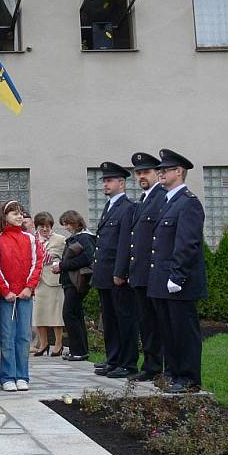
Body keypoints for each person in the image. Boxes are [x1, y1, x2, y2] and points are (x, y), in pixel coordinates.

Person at [149, 149, 207, 394]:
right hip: (162, 278)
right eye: (160, 169)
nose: (160, 173)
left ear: (179, 172)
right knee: (168, 330)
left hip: (178, 279)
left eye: (165, 169)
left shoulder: (188, 203)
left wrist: (177, 275)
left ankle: (189, 377)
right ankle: (173, 373)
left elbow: (187, 243)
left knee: (183, 331)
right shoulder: (168, 201)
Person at [92, 162, 138, 379]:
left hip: (117, 275)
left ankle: (128, 363)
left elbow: (124, 242)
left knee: (124, 319)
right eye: (104, 181)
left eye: (109, 180)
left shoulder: (128, 207)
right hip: (104, 275)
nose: (105, 184)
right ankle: (113, 359)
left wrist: (121, 272)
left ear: (122, 182)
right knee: (110, 320)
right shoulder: (110, 206)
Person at [0, 200, 44, 392]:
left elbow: (36, 263)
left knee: (23, 336)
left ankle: (22, 376)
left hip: (25, 295)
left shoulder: (30, 239)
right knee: (7, 336)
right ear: (5, 216)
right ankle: (7, 376)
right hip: (7, 297)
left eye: (21, 212)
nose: (19, 216)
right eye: (14, 213)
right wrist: (5, 290)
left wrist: (29, 288)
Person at [127, 152, 167, 382]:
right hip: (140, 273)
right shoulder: (143, 199)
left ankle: (159, 366)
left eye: (146, 172)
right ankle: (151, 365)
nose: (142, 176)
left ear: (157, 174)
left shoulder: (161, 197)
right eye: (139, 173)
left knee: (158, 323)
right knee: (147, 322)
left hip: (154, 273)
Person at [55, 210, 95, 361]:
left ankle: (78, 351)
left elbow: (87, 258)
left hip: (77, 281)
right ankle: (79, 350)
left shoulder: (85, 237)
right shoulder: (77, 237)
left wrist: (62, 265)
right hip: (71, 281)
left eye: (68, 224)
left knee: (69, 314)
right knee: (76, 314)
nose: (66, 227)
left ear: (76, 222)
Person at [32, 211, 66, 357]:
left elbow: (61, 257)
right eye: (41, 226)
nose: (45, 229)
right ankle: (43, 343)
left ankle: (58, 343)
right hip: (36, 281)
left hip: (53, 280)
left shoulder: (60, 239)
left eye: (47, 226)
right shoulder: (31, 239)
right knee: (39, 314)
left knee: (56, 314)